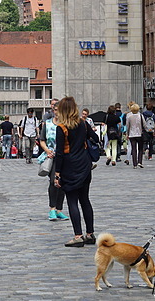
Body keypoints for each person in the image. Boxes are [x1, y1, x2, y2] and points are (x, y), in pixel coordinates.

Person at [54, 96, 98, 247]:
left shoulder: (61, 127)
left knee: (72, 200)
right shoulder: (83, 124)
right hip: (85, 165)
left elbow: (59, 152)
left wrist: (57, 173)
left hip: (69, 166)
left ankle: (78, 236)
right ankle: (90, 234)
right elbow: (96, 138)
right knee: (85, 199)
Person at [38, 108, 68, 221]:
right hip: (52, 156)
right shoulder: (47, 124)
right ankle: (52, 208)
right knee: (53, 181)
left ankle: (59, 210)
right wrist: (47, 150)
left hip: (64, 156)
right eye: (55, 110)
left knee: (62, 183)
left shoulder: (65, 124)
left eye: (58, 110)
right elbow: (42, 140)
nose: (57, 112)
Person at [125, 103, 145, 168]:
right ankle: (140, 161)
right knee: (140, 148)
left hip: (131, 134)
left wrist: (127, 133)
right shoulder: (140, 115)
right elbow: (144, 124)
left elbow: (127, 126)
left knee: (134, 148)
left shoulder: (128, 116)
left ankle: (134, 164)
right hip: (139, 133)